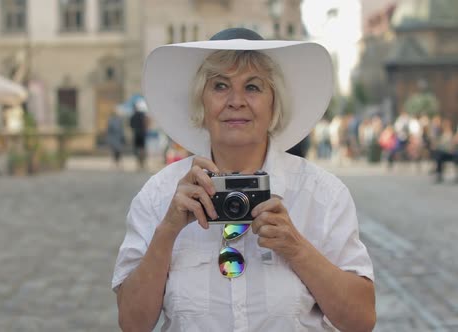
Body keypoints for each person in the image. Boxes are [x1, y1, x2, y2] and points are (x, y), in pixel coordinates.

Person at [112, 28, 375, 331]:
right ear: (201, 101)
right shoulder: (161, 195)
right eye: (220, 86)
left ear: (274, 102)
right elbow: (132, 323)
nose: (236, 101)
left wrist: (297, 249)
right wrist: (168, 231)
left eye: (253, 87)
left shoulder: (322, 195)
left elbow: (361, 320)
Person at [129, 103, 148, 170]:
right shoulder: (142, 115)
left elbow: (131, 125)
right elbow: (146, 123)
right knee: (142, 149)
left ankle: (138, 163)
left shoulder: (133, 116)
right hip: (142, 134)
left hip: (136, 134)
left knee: (137, 149)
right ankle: (142, 163)